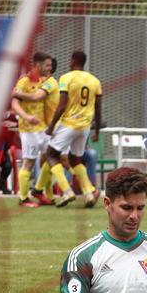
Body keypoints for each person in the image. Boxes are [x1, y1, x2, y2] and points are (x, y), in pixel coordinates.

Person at [45, 50, 101, 208]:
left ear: (73, 60)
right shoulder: (94, 80)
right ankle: (88, 193)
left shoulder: (66, 78)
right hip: (85, 126)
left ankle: (67, 191)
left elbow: (62, 106)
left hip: (68, 124)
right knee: (75, 159)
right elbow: (98, 107)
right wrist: (96, 131)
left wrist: (51, 127)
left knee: (51, 154)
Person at [13, 51, 57, 207]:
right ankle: (23, 198)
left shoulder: (45, 81)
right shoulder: (24, 81)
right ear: (38, 65)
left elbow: (40, 98)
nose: (49, 68)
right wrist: (26, 116)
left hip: (43, 128)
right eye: (47, 65)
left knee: (51, 158)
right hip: (28, 129)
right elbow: (14, 104)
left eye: (50, 65)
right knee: (29, 163)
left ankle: (41, 192)